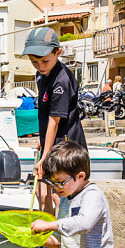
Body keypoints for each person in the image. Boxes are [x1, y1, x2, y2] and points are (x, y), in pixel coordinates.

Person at [21, 27, 87, 216]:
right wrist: (43, 140)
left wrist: (44, 157)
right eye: (34, 62)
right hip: (51, 143)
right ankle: (46, 234)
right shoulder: (42, 75)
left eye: (44, 61)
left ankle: (57, 235)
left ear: (58, 52)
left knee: (60, 194)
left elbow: (54, 120)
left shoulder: (61, 81)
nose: (40, 66)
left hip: (66, 146)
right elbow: (45, 111)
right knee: (42, 193)